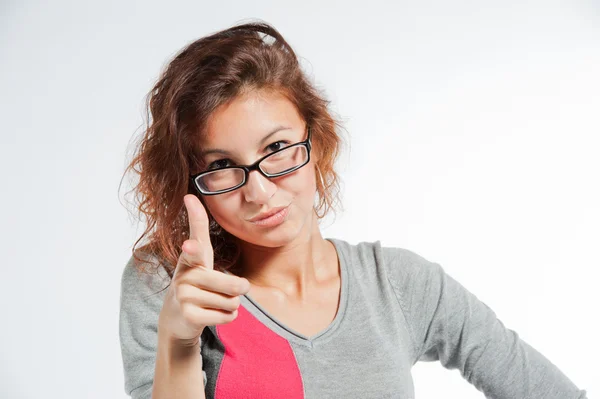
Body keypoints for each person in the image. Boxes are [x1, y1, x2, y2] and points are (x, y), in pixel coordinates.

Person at [118, 21, 588, 399]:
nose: (258, 192)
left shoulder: (399, 285)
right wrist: (178, 342)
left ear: (317, 142)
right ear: (191, 185)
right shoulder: (170, 283)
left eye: (277, 147)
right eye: (221, 165)